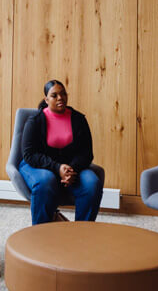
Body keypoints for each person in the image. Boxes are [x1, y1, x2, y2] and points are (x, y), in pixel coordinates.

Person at [18, 79, 104, 225]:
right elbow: (29, 154)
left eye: (63, 94)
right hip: (38, 166)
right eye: (54, 95)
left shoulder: (78, 119)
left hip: (72, 166)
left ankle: (83, 233)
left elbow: (87, 153)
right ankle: (40, 234)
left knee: (92, 183)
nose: (60, 98)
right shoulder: (35, 121)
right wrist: (57, 168)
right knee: (45, 181)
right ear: (46, 99)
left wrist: (71, 170)